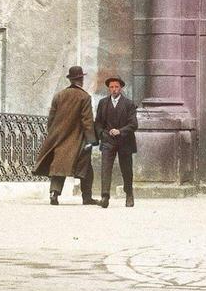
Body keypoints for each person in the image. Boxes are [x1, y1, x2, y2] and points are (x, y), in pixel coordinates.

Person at [33, 65, 98, 205]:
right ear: (81, 80)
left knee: (58, 167)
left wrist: (53, 134)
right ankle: (87, 197)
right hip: (77, 139)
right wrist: (91, 140)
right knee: (86, 168)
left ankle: (54, 193)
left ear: (71, 80)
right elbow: (87, 121)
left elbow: (51, 118)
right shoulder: (85, 97)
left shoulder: (59, 95)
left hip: (59, 137)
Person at [95, 73, 138, 209]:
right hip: (108, 141)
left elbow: (134, 124)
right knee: (106, 168)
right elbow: (98, 123)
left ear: (121, 88)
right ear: (108, 88)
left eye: (116, 87)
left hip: (125, 141)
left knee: (126, 169)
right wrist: (102, 134)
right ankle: (105, 197)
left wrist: (120, 131)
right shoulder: (103, 103)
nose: (114, 89)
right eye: (111, 87)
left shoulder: (129, 104)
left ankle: (129, 194)